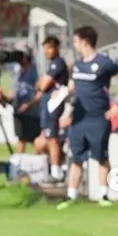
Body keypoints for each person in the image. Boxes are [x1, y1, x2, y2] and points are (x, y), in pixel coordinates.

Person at [57, 26, 118, 209]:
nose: (74, 45)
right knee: (77, 157)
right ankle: (71, 195)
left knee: (101, 156)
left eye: (75, 41)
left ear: (84, 41)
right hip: (79, 119)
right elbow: (71, 87)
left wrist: (117, 106)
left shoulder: (104, 63)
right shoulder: (77, 65)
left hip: (98, 118)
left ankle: (104, 195)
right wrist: (62, 98)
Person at [37, 37, 69, 182]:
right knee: (45, 140)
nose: (46, 51)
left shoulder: (58, 64)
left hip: (53, 105)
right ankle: (60, 167)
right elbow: (40, 84)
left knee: (52, 139)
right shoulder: (50, 65)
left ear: (56, 48)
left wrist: (41, 83)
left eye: (49, 48)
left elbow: (43, 85)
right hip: (47, 104)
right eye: (45, 48)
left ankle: (56, 172)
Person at [5, 52, 42, 154]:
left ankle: (37, 164)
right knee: (21, 138)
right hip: (19, 110)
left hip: (32, 112)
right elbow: (14, 89)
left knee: (36, 140)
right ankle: (19, 164)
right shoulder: (18, 72)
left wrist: (28, 104)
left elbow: (40, 93)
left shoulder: (35, 71)